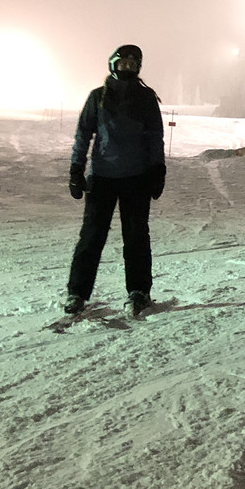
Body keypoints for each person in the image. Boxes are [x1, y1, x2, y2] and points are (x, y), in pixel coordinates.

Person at [64, 45, 166, 317]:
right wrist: (77, 168)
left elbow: (155, 137)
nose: (128, 69)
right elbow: (83, 135)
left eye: (133, 65)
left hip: (137, 178)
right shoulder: (98, 98)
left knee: (135, 237)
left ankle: (139, 291)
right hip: (102, 177)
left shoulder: (145, 98)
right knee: (91, 237)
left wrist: (158, 169)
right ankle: (77, 292)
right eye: (123, 64)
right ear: (113, 65)